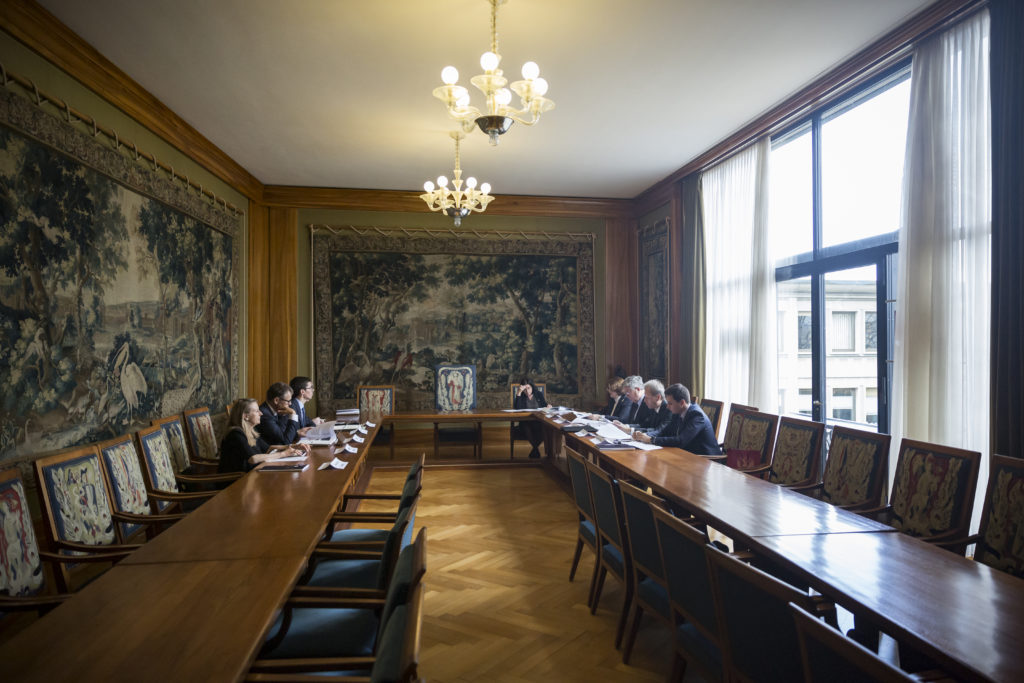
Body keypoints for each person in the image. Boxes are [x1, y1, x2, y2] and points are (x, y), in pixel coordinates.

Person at [219, 398, 310, 473]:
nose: (261, 413)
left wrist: (294, 446)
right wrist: (283, 454)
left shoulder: (251, 430)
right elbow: (253, 459)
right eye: (257, 411)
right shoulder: (235, 434)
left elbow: (269, 448)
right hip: (236, 481)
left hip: (252, 474)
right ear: (246, 416)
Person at [632, 383, 722, 455]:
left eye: (670, 403)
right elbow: (664, 431)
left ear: (682, 403)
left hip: (706, 459)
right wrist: (644, 435)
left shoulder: (697, 416)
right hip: (686, 454)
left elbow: (681, 440)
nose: (667, 407)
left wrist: (651, 440)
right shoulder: (678, 412)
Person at [513, 377, 548, 458]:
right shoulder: (521, 395)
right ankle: (535, 449)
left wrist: (548, 407)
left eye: (528, 388)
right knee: (526, 427)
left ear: (532, 387)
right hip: (525, 422)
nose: (527, 391)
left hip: (538, 421)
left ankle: (535, 450)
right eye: (524, 389)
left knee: (547, 428)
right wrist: (519, 392)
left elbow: (544, 406)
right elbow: (517, 409)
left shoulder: (538, 394)